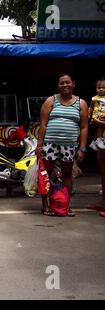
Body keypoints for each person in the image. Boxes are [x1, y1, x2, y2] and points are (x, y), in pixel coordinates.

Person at [36, 73, 89, 217]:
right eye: (62, 83)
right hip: (50, 144)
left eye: (67, 82)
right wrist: (39, 145)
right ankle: (45, 205)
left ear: (73, 84)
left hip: (69, 146)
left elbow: (84, 127)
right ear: (58, 86)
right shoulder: (50, 101)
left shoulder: (81, 103)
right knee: (46, 175)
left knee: (67, 175)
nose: (65, 85)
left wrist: (82, 148)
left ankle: (65, 205)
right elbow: (43, 124)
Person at [88, 77, 105, 150]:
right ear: (96, 89)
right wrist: (88, 114)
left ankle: (94, 141)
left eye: (104, 88)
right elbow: (90, 107)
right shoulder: (94, 98)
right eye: (99, 88)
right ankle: (98, 140)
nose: (101, 89)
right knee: (100, 127)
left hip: (103, 117)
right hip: (96, 117)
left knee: (101, 128)